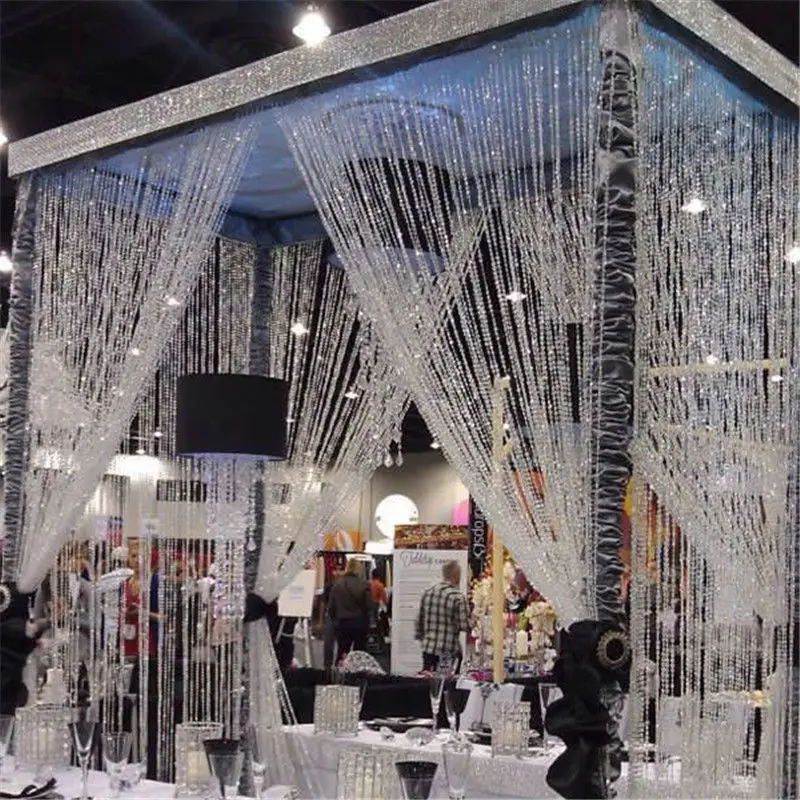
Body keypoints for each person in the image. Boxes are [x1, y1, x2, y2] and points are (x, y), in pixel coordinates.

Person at [415, 560, 469, 673]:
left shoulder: (428, 593)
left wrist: (423, 639)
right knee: (448, 681)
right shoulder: (458, 596)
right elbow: (464, 626)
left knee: (428, 679)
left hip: (428, 649)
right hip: (449, 650)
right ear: (456, 575)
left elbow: (419, 621)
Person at [328, 559, 370, 659]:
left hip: (343, 623)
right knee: (359, 654)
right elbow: (369, 606)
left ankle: (341, 668)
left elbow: (331, 607)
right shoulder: (364, 585)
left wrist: (335, 621)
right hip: (360, 623)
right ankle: (358, 669)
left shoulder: (337, 585)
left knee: (342, 652)